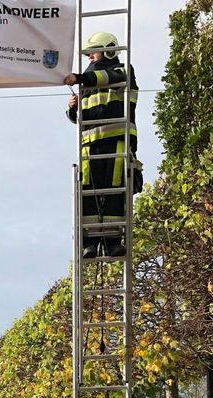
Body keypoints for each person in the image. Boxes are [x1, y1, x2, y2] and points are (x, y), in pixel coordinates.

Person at [64, 31, 139, 259]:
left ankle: (112, 241)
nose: (89, 59)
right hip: (89, 147)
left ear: (108, 50)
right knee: (89, 192)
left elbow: (106, 77)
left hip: (116, 143)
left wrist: (79, 78)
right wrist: (73, 108)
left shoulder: (123, 72)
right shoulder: (86, 85)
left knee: (114, 189)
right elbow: (81, 119)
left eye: (92, 53)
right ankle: (91, 243)